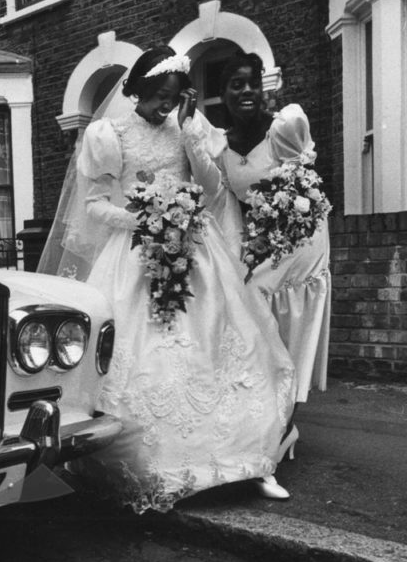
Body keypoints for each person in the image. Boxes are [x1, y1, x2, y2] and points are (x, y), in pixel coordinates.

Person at [39, 46, 297, 511]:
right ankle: (165, 462)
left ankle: (249, 461)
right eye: (158, 95)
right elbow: (95, 205)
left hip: (197, 249)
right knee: (146, 356)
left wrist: (192, 128)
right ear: (136, 90)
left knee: (223, 348)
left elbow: (213, 189)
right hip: (137, 251)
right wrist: (145, 221)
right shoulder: (108, 134)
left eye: (173, 96)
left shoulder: (186, 129)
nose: (164, 105)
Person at [200, 51, 331, 444]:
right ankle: (263, 415)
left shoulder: (283, 129)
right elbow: (231, 208)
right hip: (261, 243)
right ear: (223, 95)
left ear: (263, 87)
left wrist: (272, 236)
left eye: (252, 83)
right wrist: (244, 249)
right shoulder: (221, 148)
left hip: (301, 237)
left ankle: (285, 422)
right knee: (246, 308)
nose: (246, 92)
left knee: (283, 323)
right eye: (235, 85)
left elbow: (306, 188)